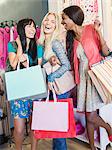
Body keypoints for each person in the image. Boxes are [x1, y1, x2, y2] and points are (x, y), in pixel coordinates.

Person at [62, 5, 112, 150]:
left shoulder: (91, 29)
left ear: (73, 18)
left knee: (90, 116)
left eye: (64, 19)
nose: (62, 22)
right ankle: (92, 147)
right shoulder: (70, 38)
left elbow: (106, 52)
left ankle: (109, 128)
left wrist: (99, 33)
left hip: (95, 77)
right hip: (83, 80)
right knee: (87, 116)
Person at [36, 12, 75, 150]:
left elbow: (67, 65)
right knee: (55, 127)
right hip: (54, 88)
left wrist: (51, 77)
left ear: (56, 25)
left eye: (53, 21)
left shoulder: (55, 42)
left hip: (61, 88)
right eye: (47, 20)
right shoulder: (42, 42)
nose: (48, 23)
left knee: (58, 131)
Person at [7, 18, 43, 150]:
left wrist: (26, 63)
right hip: (18, 91)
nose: (33, 29)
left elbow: (38, 67)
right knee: (19, 129)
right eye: (29, 27)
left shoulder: (38, 46)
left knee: (35, 125)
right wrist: (20, 47)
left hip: (35, 89)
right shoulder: (12, 45)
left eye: (34, 27)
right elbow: (13, 64)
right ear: (22, 29)